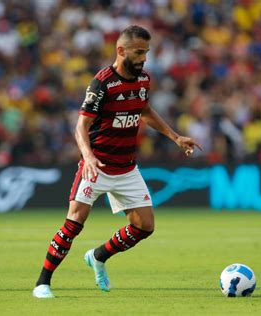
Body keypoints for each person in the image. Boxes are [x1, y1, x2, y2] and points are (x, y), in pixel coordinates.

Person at [32, 25, 202, 298]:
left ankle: (98, 256)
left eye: (146, 52)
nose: (144, 58)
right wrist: (87, 157)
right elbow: (81, 127)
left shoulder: (143, 80)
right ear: (121, 50)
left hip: (126, 167)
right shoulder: (102, 83)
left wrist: (175, 136)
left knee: (145, 226)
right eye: (138, 52)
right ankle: (43, 282)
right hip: (97, 165)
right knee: (74, 222)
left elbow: (144, 110)